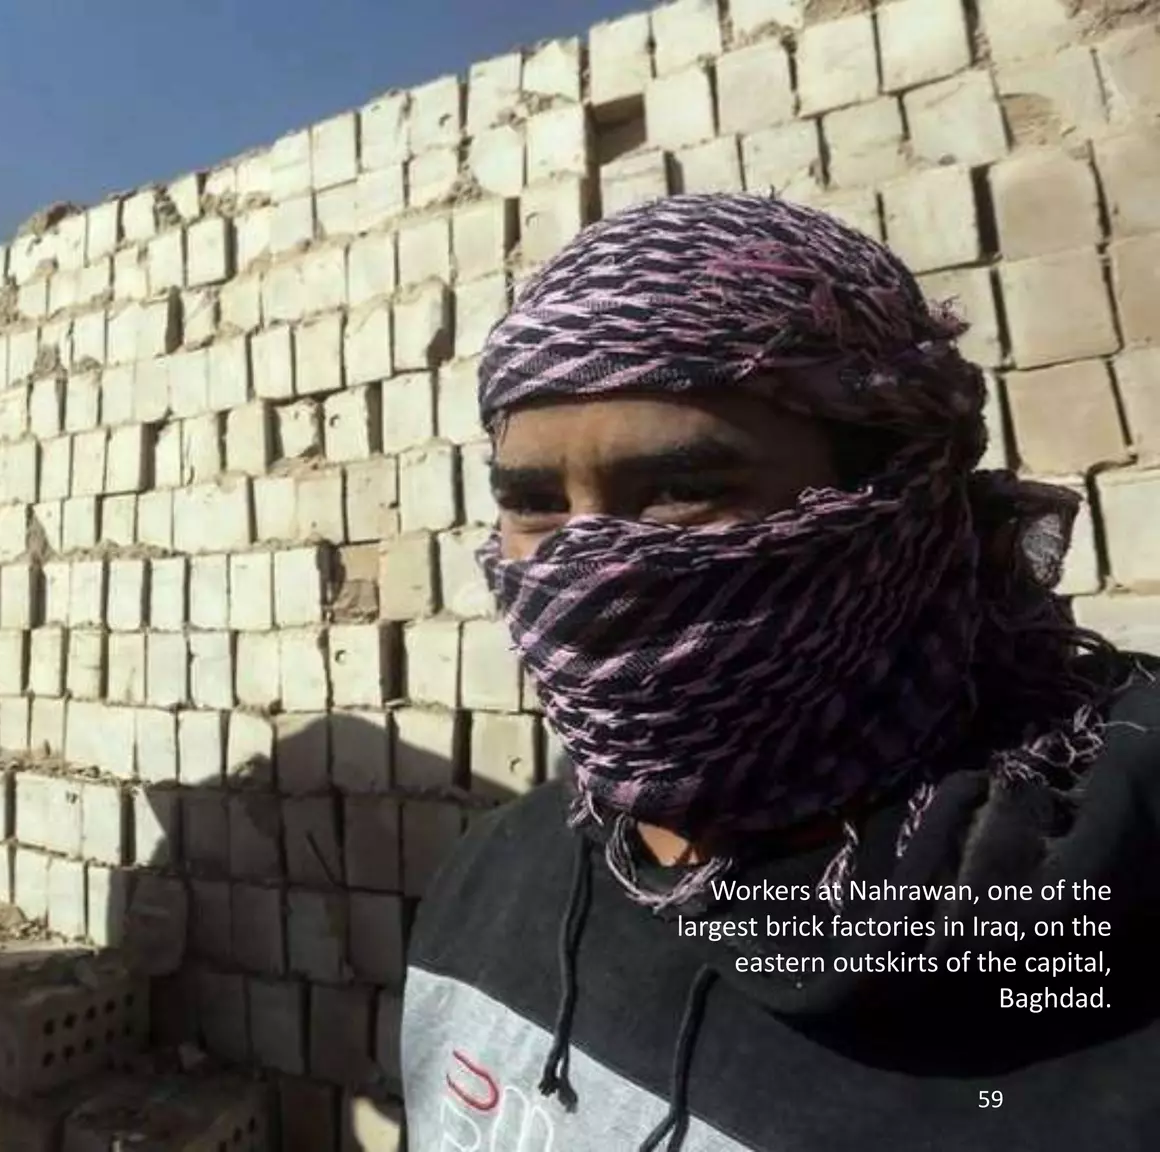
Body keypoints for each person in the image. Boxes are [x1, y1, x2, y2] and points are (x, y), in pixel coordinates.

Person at [402, 193, 1160, 1151]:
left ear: (903, 501)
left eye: (682, 491)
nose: (589, 575)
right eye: (536, 505)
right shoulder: (495, 879)